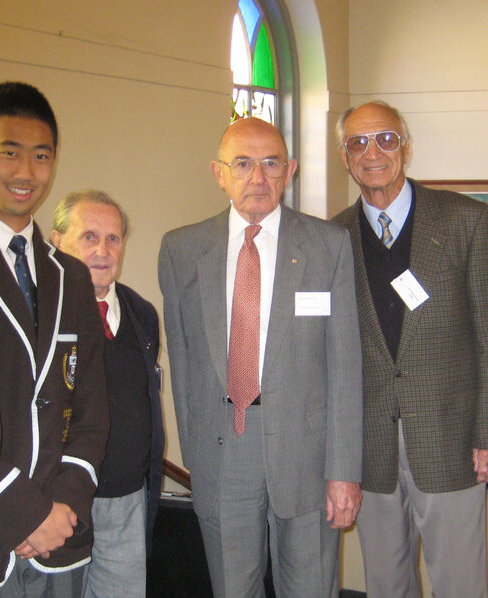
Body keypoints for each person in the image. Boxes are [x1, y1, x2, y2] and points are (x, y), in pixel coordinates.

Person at [158, 117, 363, 598]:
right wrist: (199, 461)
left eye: (270, 163)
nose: (258, 178)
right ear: (219, 173)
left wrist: (344, 471)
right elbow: (184, 364)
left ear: (289, 170)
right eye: (243, 164)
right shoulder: (182, 249)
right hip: (224, 452)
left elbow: (345, 367)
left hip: (308, 454)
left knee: (311, 587)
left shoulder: (328, 245)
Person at [331, 101, 488, 598]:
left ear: (405, 147)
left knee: (460, 583)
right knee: (386, 585)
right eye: (358, 143)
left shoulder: (466, 221)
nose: (373, 152)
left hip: (452, 440)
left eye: (386, 138)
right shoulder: (331, 237)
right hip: (370, 446)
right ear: (345, 157)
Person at [0, 82, 108, 598]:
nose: (26, 173)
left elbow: (91, 405)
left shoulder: (69, 275)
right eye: (9, 152)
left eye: (41, 155)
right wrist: (24, 512)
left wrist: (64, 504)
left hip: (62, 534)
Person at [50, 190, 164, 598]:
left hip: (127, 503)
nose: (103, 250)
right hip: (61, 505)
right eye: (89, 237)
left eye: (113, 239)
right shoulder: (38, 315)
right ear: (56, 241)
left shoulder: (141, 312)